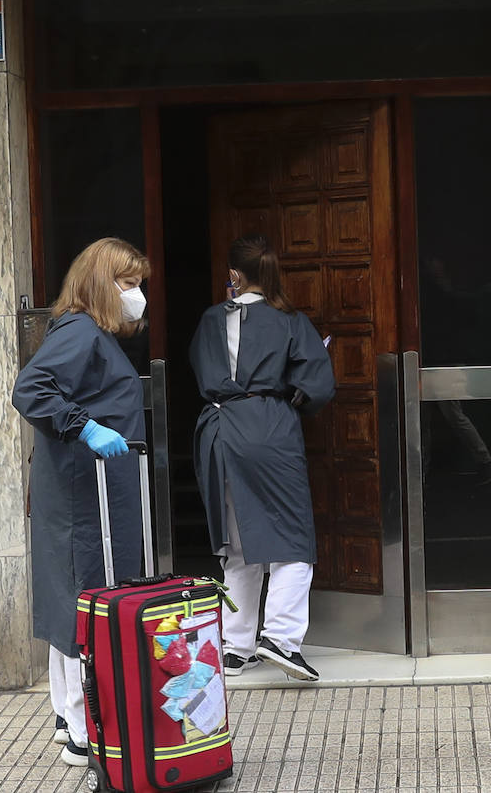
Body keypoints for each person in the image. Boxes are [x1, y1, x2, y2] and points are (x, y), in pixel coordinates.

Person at [11, 237, 151, 768]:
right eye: (129, 284)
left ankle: (67, 716)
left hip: (82, 490)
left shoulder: (84, 332)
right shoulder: (80, 332)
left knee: (71, 596)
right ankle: (80, 728)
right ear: (103, 284)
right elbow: (32, 388)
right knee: (83, 599)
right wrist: (85, 426)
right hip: (82, 493)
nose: (137, 296)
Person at [190, 234, 336, 682]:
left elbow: (199, 365)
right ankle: (281, 639)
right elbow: (318, 386)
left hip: (216, 428)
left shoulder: (212, 318)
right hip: (268, 425)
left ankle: (235, 647)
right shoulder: (290, 320)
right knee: (292, 538)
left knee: (237, 544)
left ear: (234, 274)